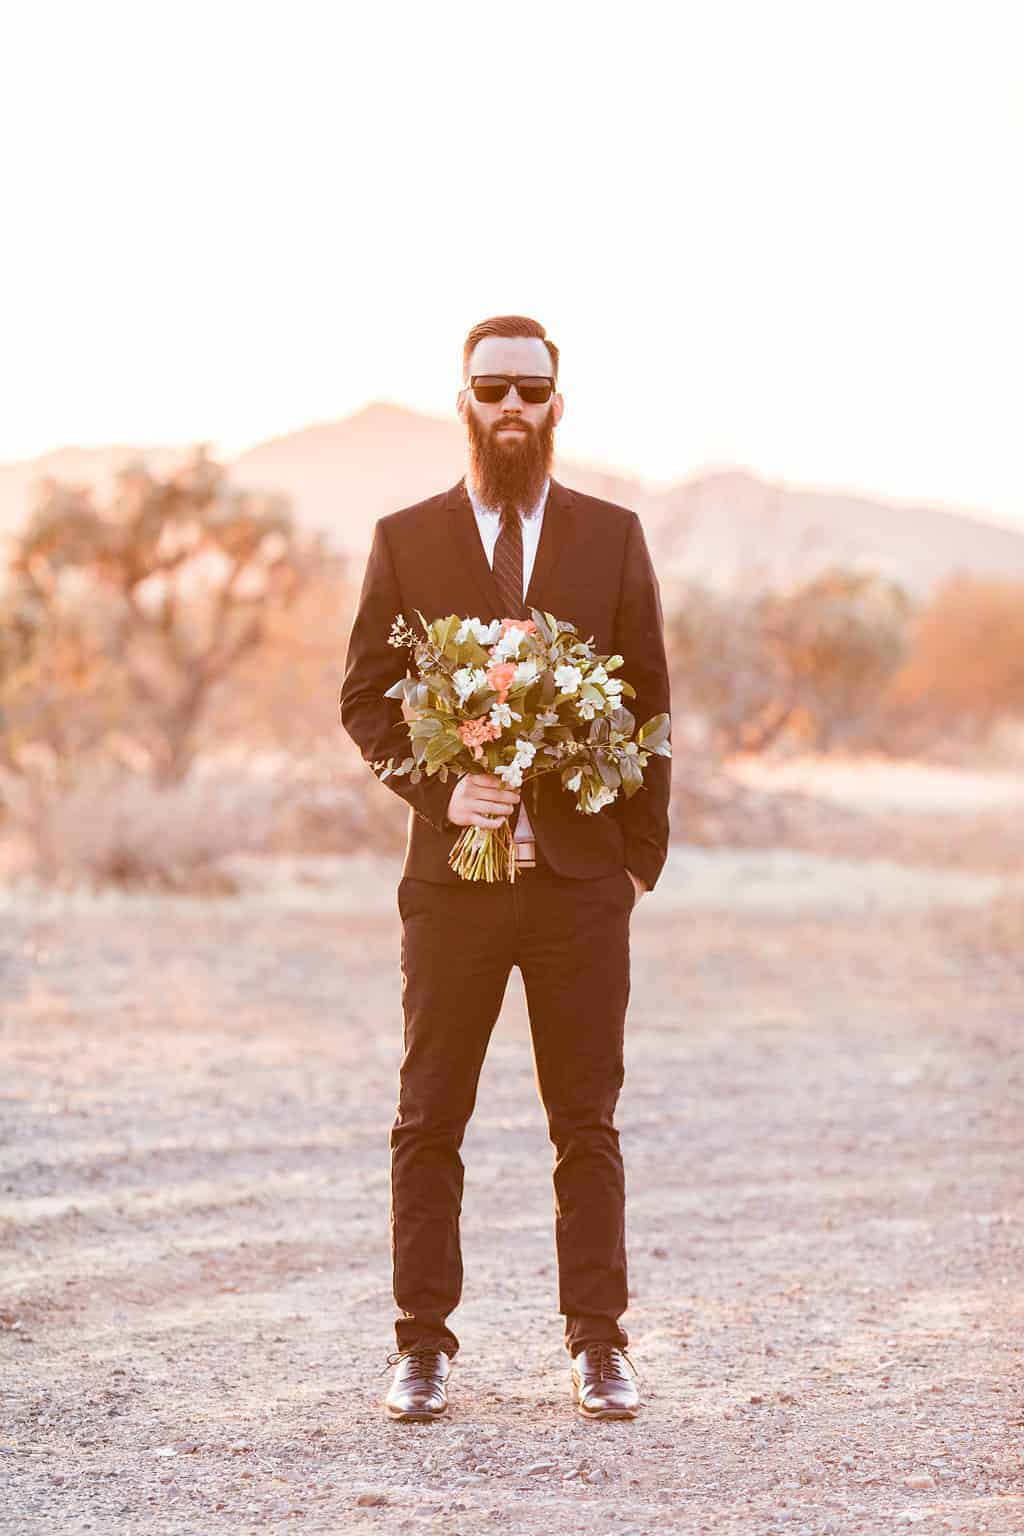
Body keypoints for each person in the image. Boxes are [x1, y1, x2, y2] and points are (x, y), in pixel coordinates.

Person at [339, 314, 671, 1421]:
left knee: (586, 1118)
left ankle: (598, 1345)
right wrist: (443, 792)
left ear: (558, 405)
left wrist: (633, 863)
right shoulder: (406, 538)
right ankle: (422, 1345)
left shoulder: (611, 537)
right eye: (493, 389)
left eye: (531, 389)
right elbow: (363, 699)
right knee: (429, 1114)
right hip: (453, 890)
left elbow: (648, 701)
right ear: (466, 403)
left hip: (578, 891)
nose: (513, 408)